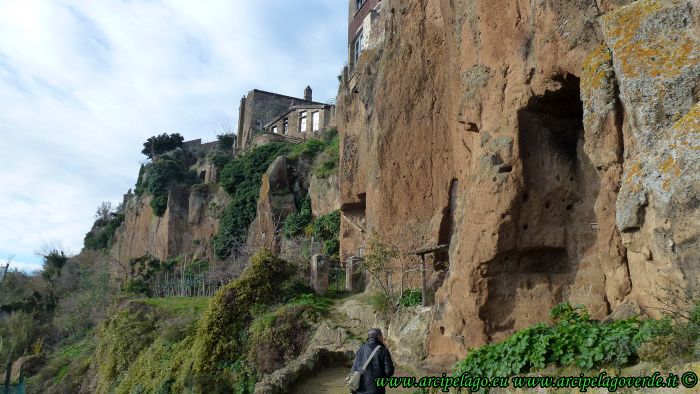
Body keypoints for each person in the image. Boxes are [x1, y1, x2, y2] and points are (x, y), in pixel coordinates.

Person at [350, 328, 395, 394]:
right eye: (382, 336)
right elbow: (389, 371)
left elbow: (353, 370)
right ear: (378, 337)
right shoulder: (383, 350)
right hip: (377, 389)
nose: (383, 338)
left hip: (360, 389)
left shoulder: (360, 349)